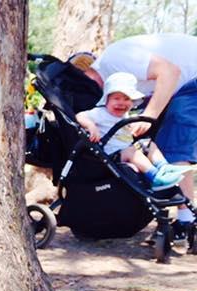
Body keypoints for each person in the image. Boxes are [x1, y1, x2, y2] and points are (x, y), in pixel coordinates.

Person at [84, 34, 197, 231]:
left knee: (174, 144)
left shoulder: (115, 60)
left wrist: (149, 115)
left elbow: (170, 72)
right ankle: (179, 211)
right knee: (157, 141)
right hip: (182, 83)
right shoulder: (112, 72)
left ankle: (187, 222)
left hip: (190, 80)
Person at [75, 71, 186, 190]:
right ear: (107, 100)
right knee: (131, 152)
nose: (121, 103)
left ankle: (164, 167)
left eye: (126, 99)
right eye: (116, 98)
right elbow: (79, 116)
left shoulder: (125, 115)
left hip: (127, 148)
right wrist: (91, 126)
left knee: (148, 143)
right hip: (111, 154)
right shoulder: (100, 113)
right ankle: (155, 177)